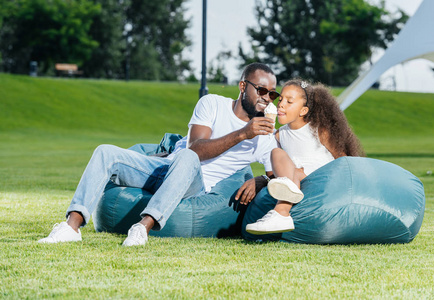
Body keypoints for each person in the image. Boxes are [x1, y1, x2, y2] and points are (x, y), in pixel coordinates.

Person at [38, 62, 280, 246]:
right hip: (163, 170)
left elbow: (278, 176)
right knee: (105, 152)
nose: (266, 98)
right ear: (242, 87)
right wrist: (242, 133)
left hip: (194, 184)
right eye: (261, 90)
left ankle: (142, 228)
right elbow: (196, 146)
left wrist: (261, 180)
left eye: (272, 94)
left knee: (187, 159)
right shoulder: (212, 104)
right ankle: (72, 227)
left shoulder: (264, 136)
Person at [245, 78, 364, 234]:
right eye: (280, 99)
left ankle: (281, 212)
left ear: (303, 111)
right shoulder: (280, 135)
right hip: (296, 180)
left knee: (296, 172)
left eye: (289, 102)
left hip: (323, 179)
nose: (281, 104)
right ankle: (281, 213)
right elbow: (278, 167)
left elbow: (343, 160)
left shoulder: (319, 131)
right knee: (276, 153)